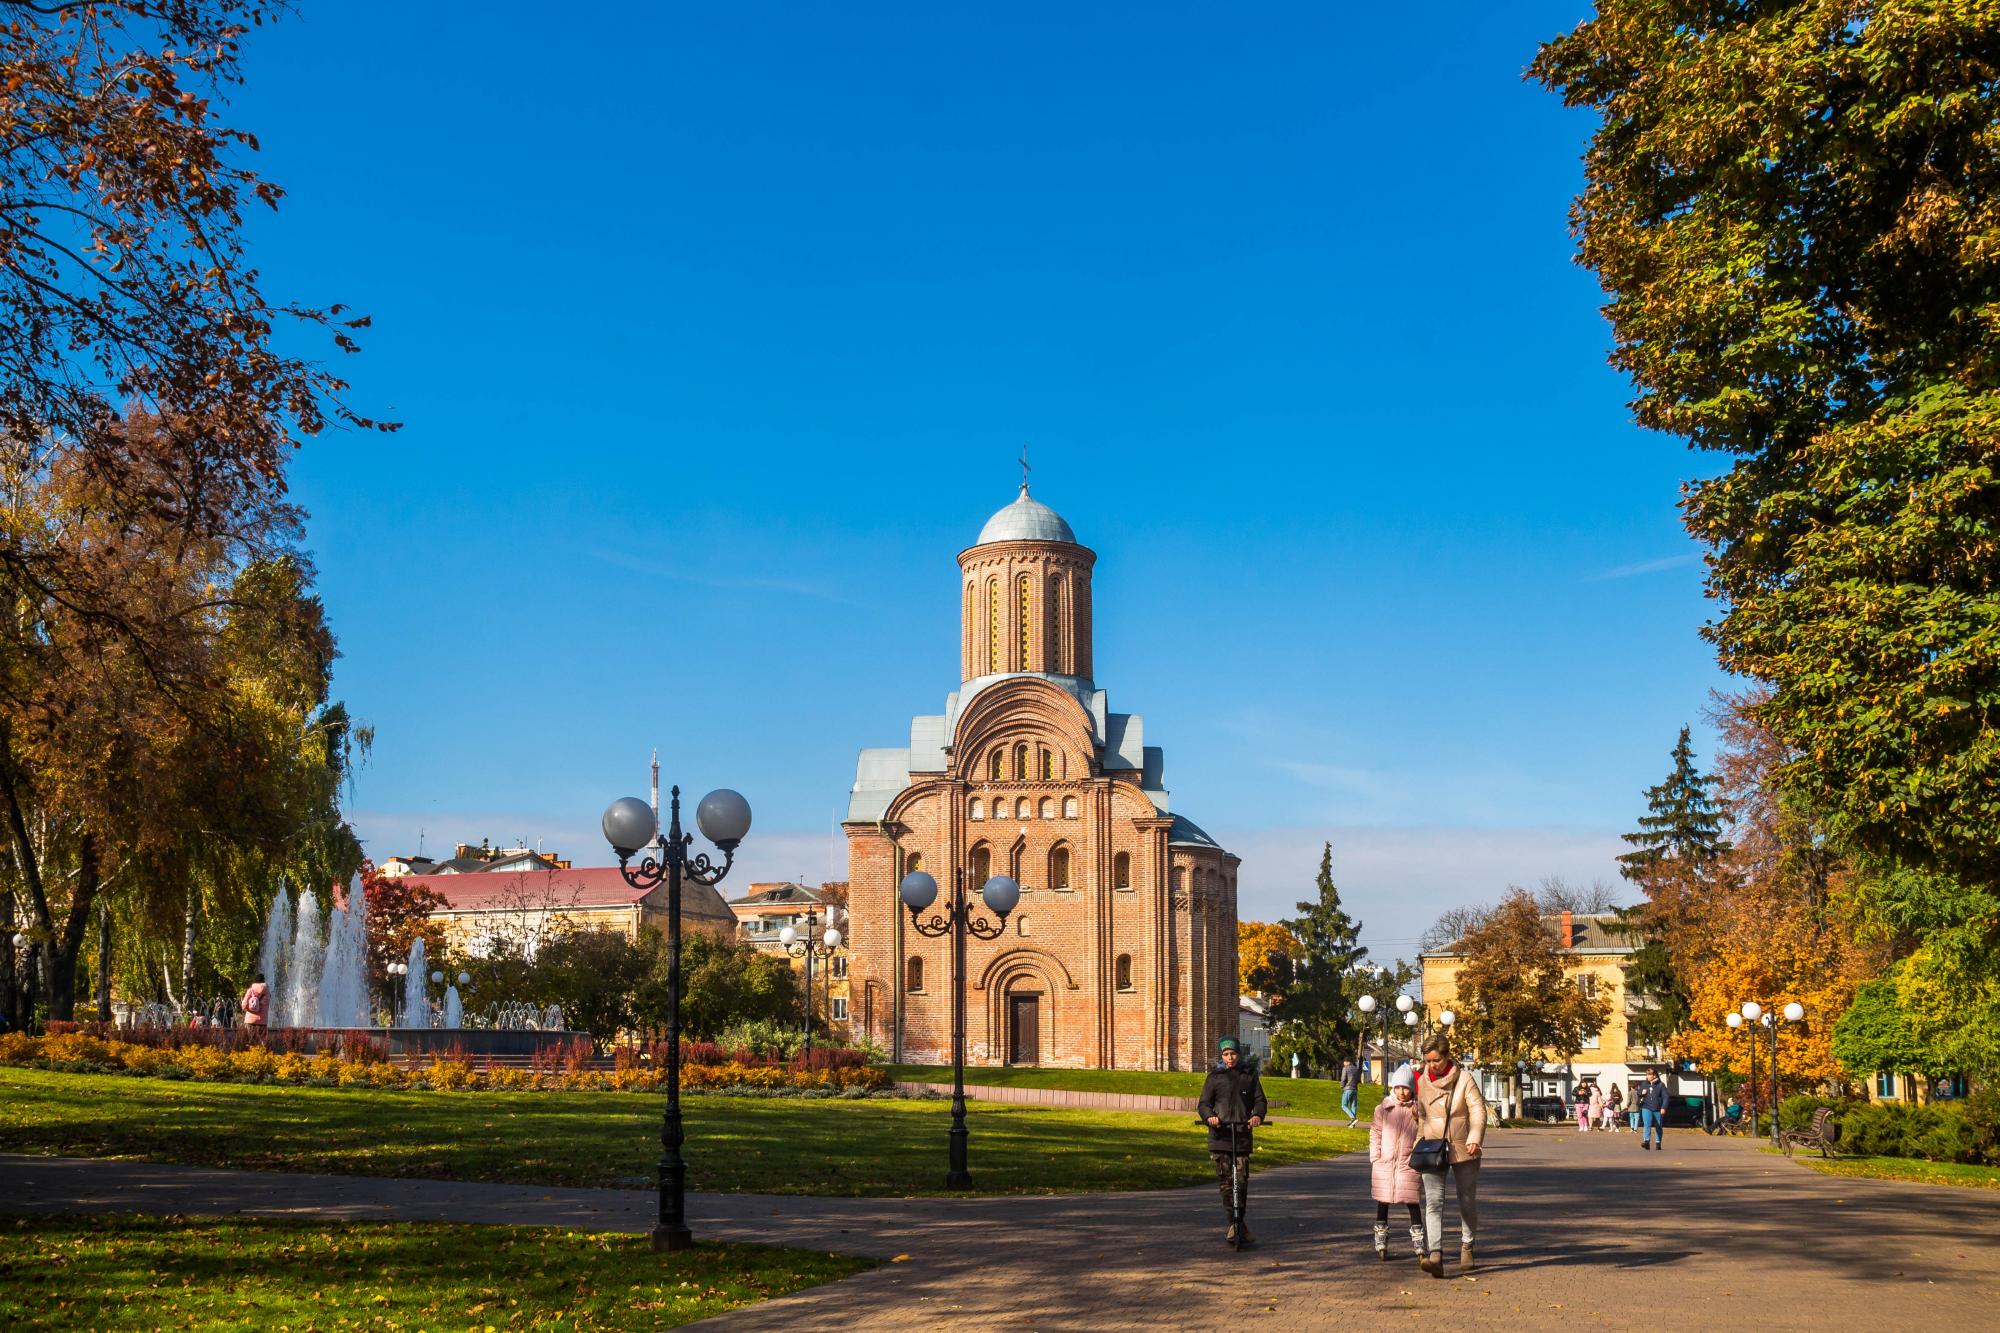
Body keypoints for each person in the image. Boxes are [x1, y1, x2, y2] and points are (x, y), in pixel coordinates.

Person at [1415, 1036, 1487, 1277]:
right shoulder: (1423, 1080)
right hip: (1432, 1148)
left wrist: (1475, 1137)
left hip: (1464, 1147)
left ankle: (1467, 1245)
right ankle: (1435, 1254)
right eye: (1428, 1060)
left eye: (1436, 1060)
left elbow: (1478, 1110)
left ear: (1446, 1056)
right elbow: (1422, 1114)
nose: (1432, 1065)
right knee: (1433, 1202)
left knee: (1466, 1200)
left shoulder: (1464, 1079)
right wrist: (1419, 1140)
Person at [1198, 1035, 1267, 1246]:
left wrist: (1257, 1116)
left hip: (1242, 1136)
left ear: (1239, 1054)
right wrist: (1210, 1117)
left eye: (1233, 1054)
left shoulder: (1249, 1076)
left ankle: (1239, 1222)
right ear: (1222, 1056)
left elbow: (1260, 1101)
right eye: (1226, 1055)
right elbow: (1203, 1104)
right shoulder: (1215, 1077)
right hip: (1221, 1136)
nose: (1230, 1058)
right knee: (1227, 1184)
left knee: (1241, 1183)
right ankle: (1234, 1224)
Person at [1369, 1064, 1424, 1261]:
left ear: (1412, 1089)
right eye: (1398, 1087)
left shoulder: (1417, 1111)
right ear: (1393, 1087)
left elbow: (1423, 1134)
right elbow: (1375, 1132)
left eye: (1406, 1088)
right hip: (1385, 1163)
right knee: (1382, 1202)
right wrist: (1375, 1157)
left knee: (1413, 1202)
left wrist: (1416, 1159)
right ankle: (1381, 1238)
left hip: (1408, 1164)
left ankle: (1418, 1241)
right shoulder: (1384, 1108)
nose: (1402, 1092)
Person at [1638, 1068, 1668, 1150]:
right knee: (1647, 1124)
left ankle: (1658, 1142)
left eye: (1649, 1074)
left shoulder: (1661, 1085)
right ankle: (1646, 1141)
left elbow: (1665, 1097)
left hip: (1658, 1109)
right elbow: (1639, 1093)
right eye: (1647, 1074)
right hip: (1646, 1107)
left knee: (1658, 1126)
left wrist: (1663, 1107)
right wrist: (1641, 1093)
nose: (1647, 1076)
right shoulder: (1644, 1084)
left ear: (1654, 1075)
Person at [1340, 1058, 1361, 1125]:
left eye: (1344, 1062)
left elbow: (1343, 1079)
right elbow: (1358, 1080)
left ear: (1346, 1062)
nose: (1343, 1064)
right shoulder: (1356, 1069)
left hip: (1348, 1088)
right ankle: (1353, 1124)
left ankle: (1353, 1118)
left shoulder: (1345, 1068)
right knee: (1353, 1106)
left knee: (1344, 1105)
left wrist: (1342, 1086)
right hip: (1355, 1089)